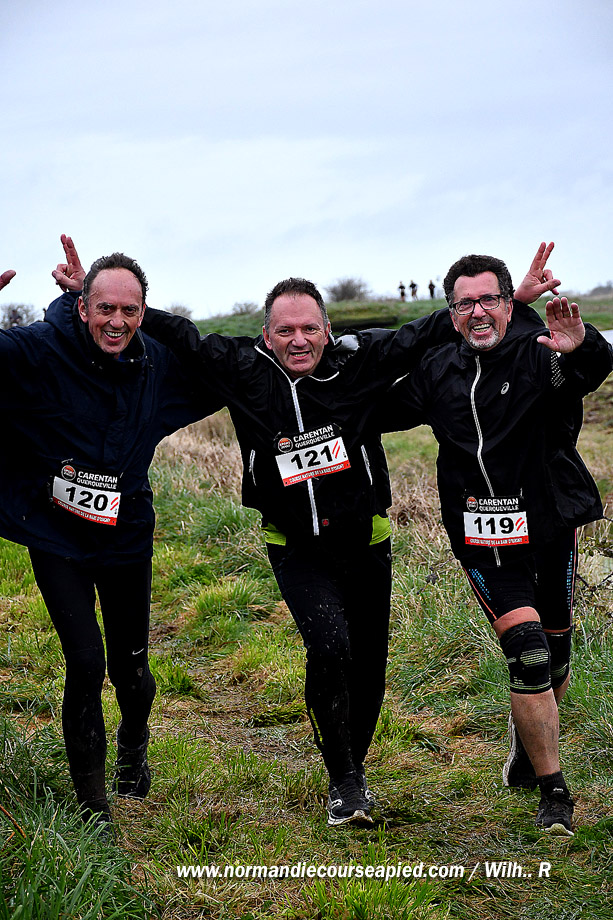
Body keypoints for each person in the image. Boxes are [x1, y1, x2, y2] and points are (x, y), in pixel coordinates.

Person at [141, 253, 554, 826]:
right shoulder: (241, 368)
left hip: (366, 540)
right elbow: (180, 335)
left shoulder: (357, 364)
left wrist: (516, 304)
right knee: (329, 647)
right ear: (266, 335)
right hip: (294, 545)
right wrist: (104, 303)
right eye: (286, 330)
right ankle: (344, 781)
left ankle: (351, 767)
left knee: (368, 668)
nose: (299, 340)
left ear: (328, 330)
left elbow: (424, 332)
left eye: (310, 328)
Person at [378, 247, 613, 836]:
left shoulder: (539, 354)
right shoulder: (437, 370)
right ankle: (554, 791)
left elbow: (584, 372)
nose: (478, 312)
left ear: (510, 305)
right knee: (528, 652)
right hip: (481, 533)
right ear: (451, 313)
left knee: (555, 654)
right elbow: (375, 410)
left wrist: (582, 346)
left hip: (549, 524)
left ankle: (526, 751)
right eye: (465, 304)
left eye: (489, 299)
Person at [0, 238, 220, 830]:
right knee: (85, 662)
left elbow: (223, 371)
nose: (116, 322)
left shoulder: (157, 363)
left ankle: (134, 743)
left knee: (131, 670)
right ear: (81, 307)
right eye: (105, 308)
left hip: (127, 535)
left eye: (129, 310)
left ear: (144, 312)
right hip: (57, 536)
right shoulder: (41, 349)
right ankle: (94, 810)